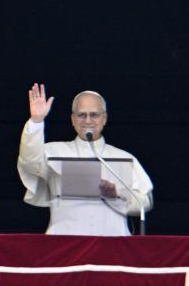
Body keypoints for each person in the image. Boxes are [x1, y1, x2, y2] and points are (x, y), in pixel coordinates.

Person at [17, 83, 153, 236]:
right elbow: (29, 162)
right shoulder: (53, 151)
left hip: (113, 246)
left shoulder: (124, 158)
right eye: (81, 115)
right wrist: (36, 121)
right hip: (64, 245)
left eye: (94, 115)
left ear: (104, 118)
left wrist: (116, 193)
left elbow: (144, 203)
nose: (87, 120)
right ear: (73, 119)